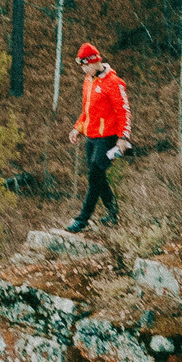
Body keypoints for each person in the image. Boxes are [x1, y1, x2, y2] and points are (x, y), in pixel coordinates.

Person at [66, 43, 127, 233]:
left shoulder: (114, 82)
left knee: (94, 175)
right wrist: (77, 128)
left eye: (86, 65)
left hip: (108, 139)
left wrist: (123, 138)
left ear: (95, 61)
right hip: (91, 138)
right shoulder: (88, 81)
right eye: (82, 66)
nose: (84, 70)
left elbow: (123, 111)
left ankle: (82, 219)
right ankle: (113, 213)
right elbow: (87, 111)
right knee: (98, 177)